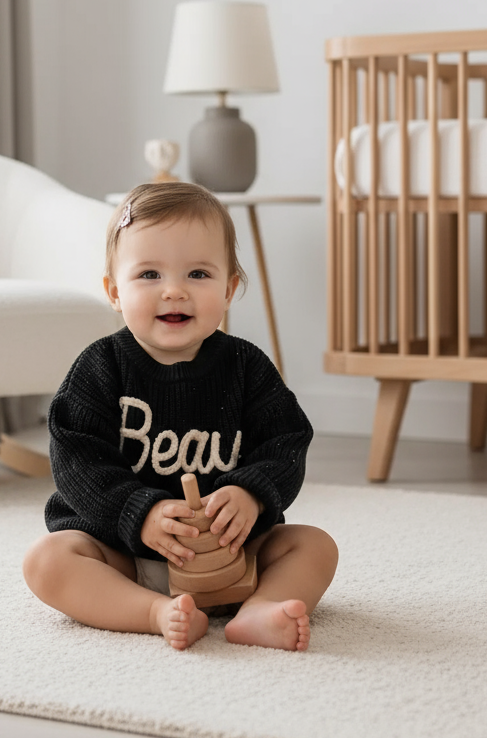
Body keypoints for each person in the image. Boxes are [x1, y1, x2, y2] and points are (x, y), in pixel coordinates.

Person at [22, 182, 338, 651]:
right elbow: (77, 462)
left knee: (315, 546)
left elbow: (286, 441)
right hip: (124, 554)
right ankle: (153, 612)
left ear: (230, 289)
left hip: (231, 557)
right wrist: (140, 512)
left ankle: (259, 610)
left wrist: (250, 494)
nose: (174, 291)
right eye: (149, 274)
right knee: (46, 561)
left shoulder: (246, 367)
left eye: (197, 274)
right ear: (114, 290)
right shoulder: (100, 368)